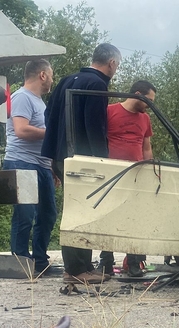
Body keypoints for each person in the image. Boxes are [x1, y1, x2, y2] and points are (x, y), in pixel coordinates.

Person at [41, 43, 121, 285]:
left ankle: (77, 267)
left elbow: (47, 115)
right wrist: (103, 162)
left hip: (59, 156)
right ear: (112, 64)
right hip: (85, 161)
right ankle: (78, 269)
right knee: (83, 213)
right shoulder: (97, 85)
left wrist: (55, 152)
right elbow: (96, 127)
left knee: (74, 210)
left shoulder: (66, 80)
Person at [97, 80, 157, 278]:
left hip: (136, 174)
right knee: (108, 217)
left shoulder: (145, 119)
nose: (149, 104)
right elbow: (99, 139)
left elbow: (146, 146)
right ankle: (106, 262)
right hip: (112, 174)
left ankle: (133, 262)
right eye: (148, 100)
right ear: (137, 94)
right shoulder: (109, 111)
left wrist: (150, 171)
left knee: (134, 218)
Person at [3, 59, 57, 277]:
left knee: (48, 213)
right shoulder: (22, 97)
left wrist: (52, 167)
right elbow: (21, 130)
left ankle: (40, 261)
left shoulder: (40, 103)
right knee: (25, 214)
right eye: (51, 75)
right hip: (21, 162)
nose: (52, 80)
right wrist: (53, 134)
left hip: (41, 165)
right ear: (42, 75)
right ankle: (21, 261)